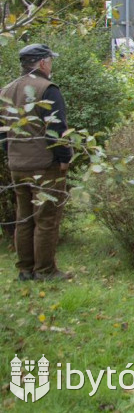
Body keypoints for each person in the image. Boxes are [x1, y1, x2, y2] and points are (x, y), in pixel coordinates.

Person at [0, 44, 72, 281]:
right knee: (46, 218)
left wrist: (11, 154)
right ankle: (45, 271)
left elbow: (3, 132)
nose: (51, 65)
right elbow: (57, 128)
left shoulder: (7, 89)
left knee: (24, 217)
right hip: (44, 165)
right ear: (42, 63)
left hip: (17, 165)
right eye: (50, 61)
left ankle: (25, 270)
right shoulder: (48, 89)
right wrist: (64, 159)